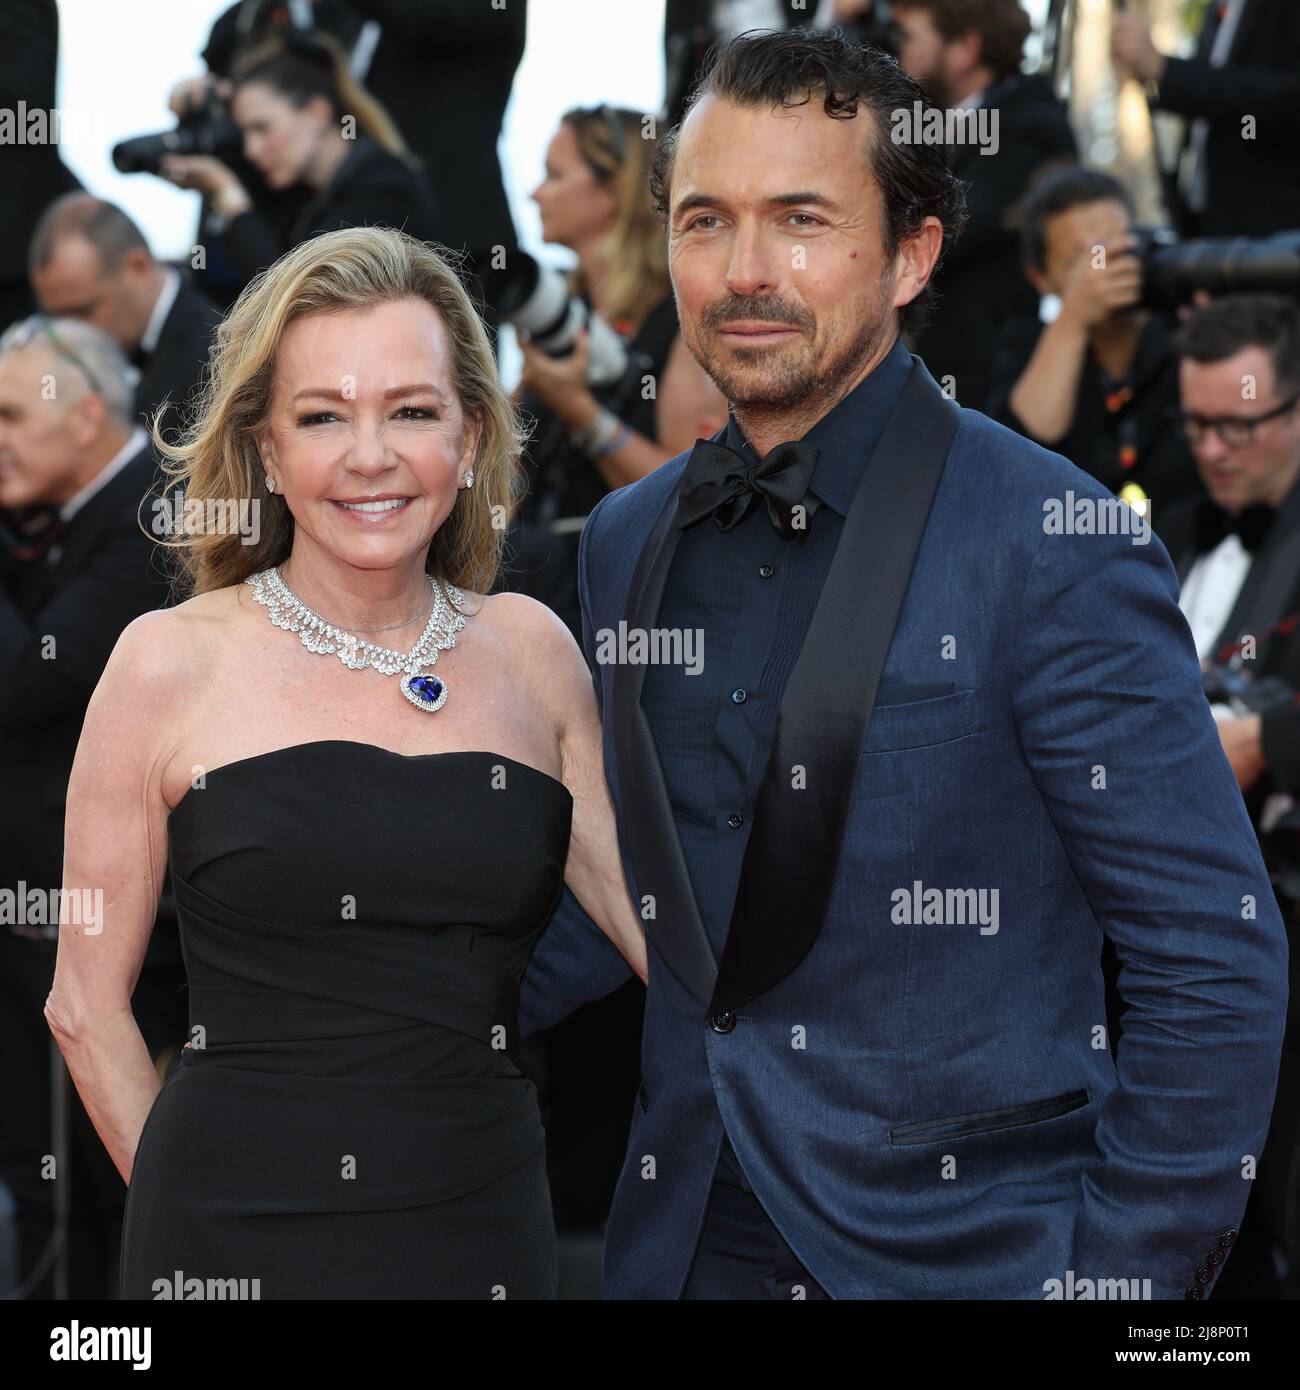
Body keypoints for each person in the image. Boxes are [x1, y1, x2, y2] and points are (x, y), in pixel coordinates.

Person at [519, 27, 1288, 1300]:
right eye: (705, 220)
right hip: (681, 1251)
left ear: (911, 255)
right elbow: (647, 905)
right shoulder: (624, 541)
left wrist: (1116, 1279)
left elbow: (1210, 957)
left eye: (802, 220)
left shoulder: (1051, 539)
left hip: (962, 1259)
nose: (745, 271)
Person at [43, 225, 647, 1300]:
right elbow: (84, 1007)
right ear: (269, 453)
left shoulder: (531, 653)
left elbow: (670, 943)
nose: (370, 456)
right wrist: (184, 1221)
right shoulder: (166, 663)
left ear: (469, 436)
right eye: (323, 417)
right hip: (229, 1238)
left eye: (411, 411)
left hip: (484, 1230)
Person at [0, 316, 184, 1298]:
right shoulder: (57, 523)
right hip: (38, 919)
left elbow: (24, 686)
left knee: (88, 1198)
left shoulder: (156, 524)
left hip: (110, 942)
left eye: (6, 413)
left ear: (84, 417)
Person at [1157, 294, 1300, 1298]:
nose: (1213, 449)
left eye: (1238, 426)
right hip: (1176, 945)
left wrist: (1267, 738)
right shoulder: (1171, 524)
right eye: (1196, 424)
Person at [503, 104, 726, 642]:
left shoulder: (679, 321)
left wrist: (581, 411)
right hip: (537, 574)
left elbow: (690, 489)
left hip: (620, 593)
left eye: (555, 175)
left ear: (613, 192)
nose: (534, 194)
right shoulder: (561, 309)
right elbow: (503, 456)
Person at [889, 0, 1076, 408]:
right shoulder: (935, 121)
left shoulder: (1028, 123)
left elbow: (952, 231)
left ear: (966, 49)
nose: (899, 52)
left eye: (910, 37)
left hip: (987, 381)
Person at [985, 165, 1202, 516]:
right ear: (1041, 279)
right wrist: (1072, 319)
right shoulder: (1028, 344)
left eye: (1117, 247)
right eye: (1079, 260)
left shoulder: (1179, 329)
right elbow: (1023, 450)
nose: (1103, 269)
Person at [159, 32, 439, 287]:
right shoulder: (303, 197)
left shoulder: (383, 189)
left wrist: (226, 191)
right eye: (244, 135)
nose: (251, 150)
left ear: (318, 113)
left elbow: (291, 293)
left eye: (262, 128)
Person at [29, 194, 222, 438]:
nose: (70, 336)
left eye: (83, 312)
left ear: (138, 268)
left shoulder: (217, 355)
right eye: (57, 320)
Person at [1112, 0, 1300, 238]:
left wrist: (1167, 70)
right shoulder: (1220, 9)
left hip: (1275, 234)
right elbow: (1212, 99)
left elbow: (1285, 99)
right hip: (1208, 223)